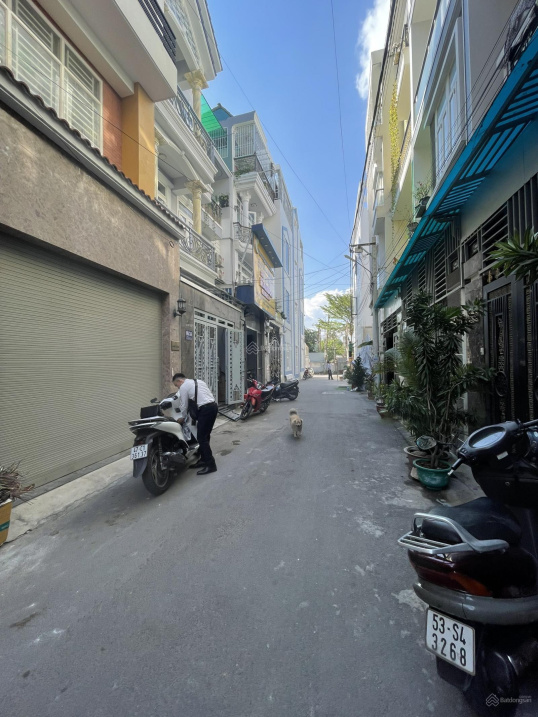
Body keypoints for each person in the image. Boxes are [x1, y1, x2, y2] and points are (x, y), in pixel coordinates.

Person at [172, 373, 218, 475]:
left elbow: (184, 405)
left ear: (179, 381)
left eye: (176, 385)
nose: (177, 387)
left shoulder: (184, 386)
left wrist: (182, 417)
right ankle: (203, 460)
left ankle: (211, 465)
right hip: (213, 407)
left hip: (205, 410)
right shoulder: (199, 381)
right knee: (205, 436)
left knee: (201, 438)